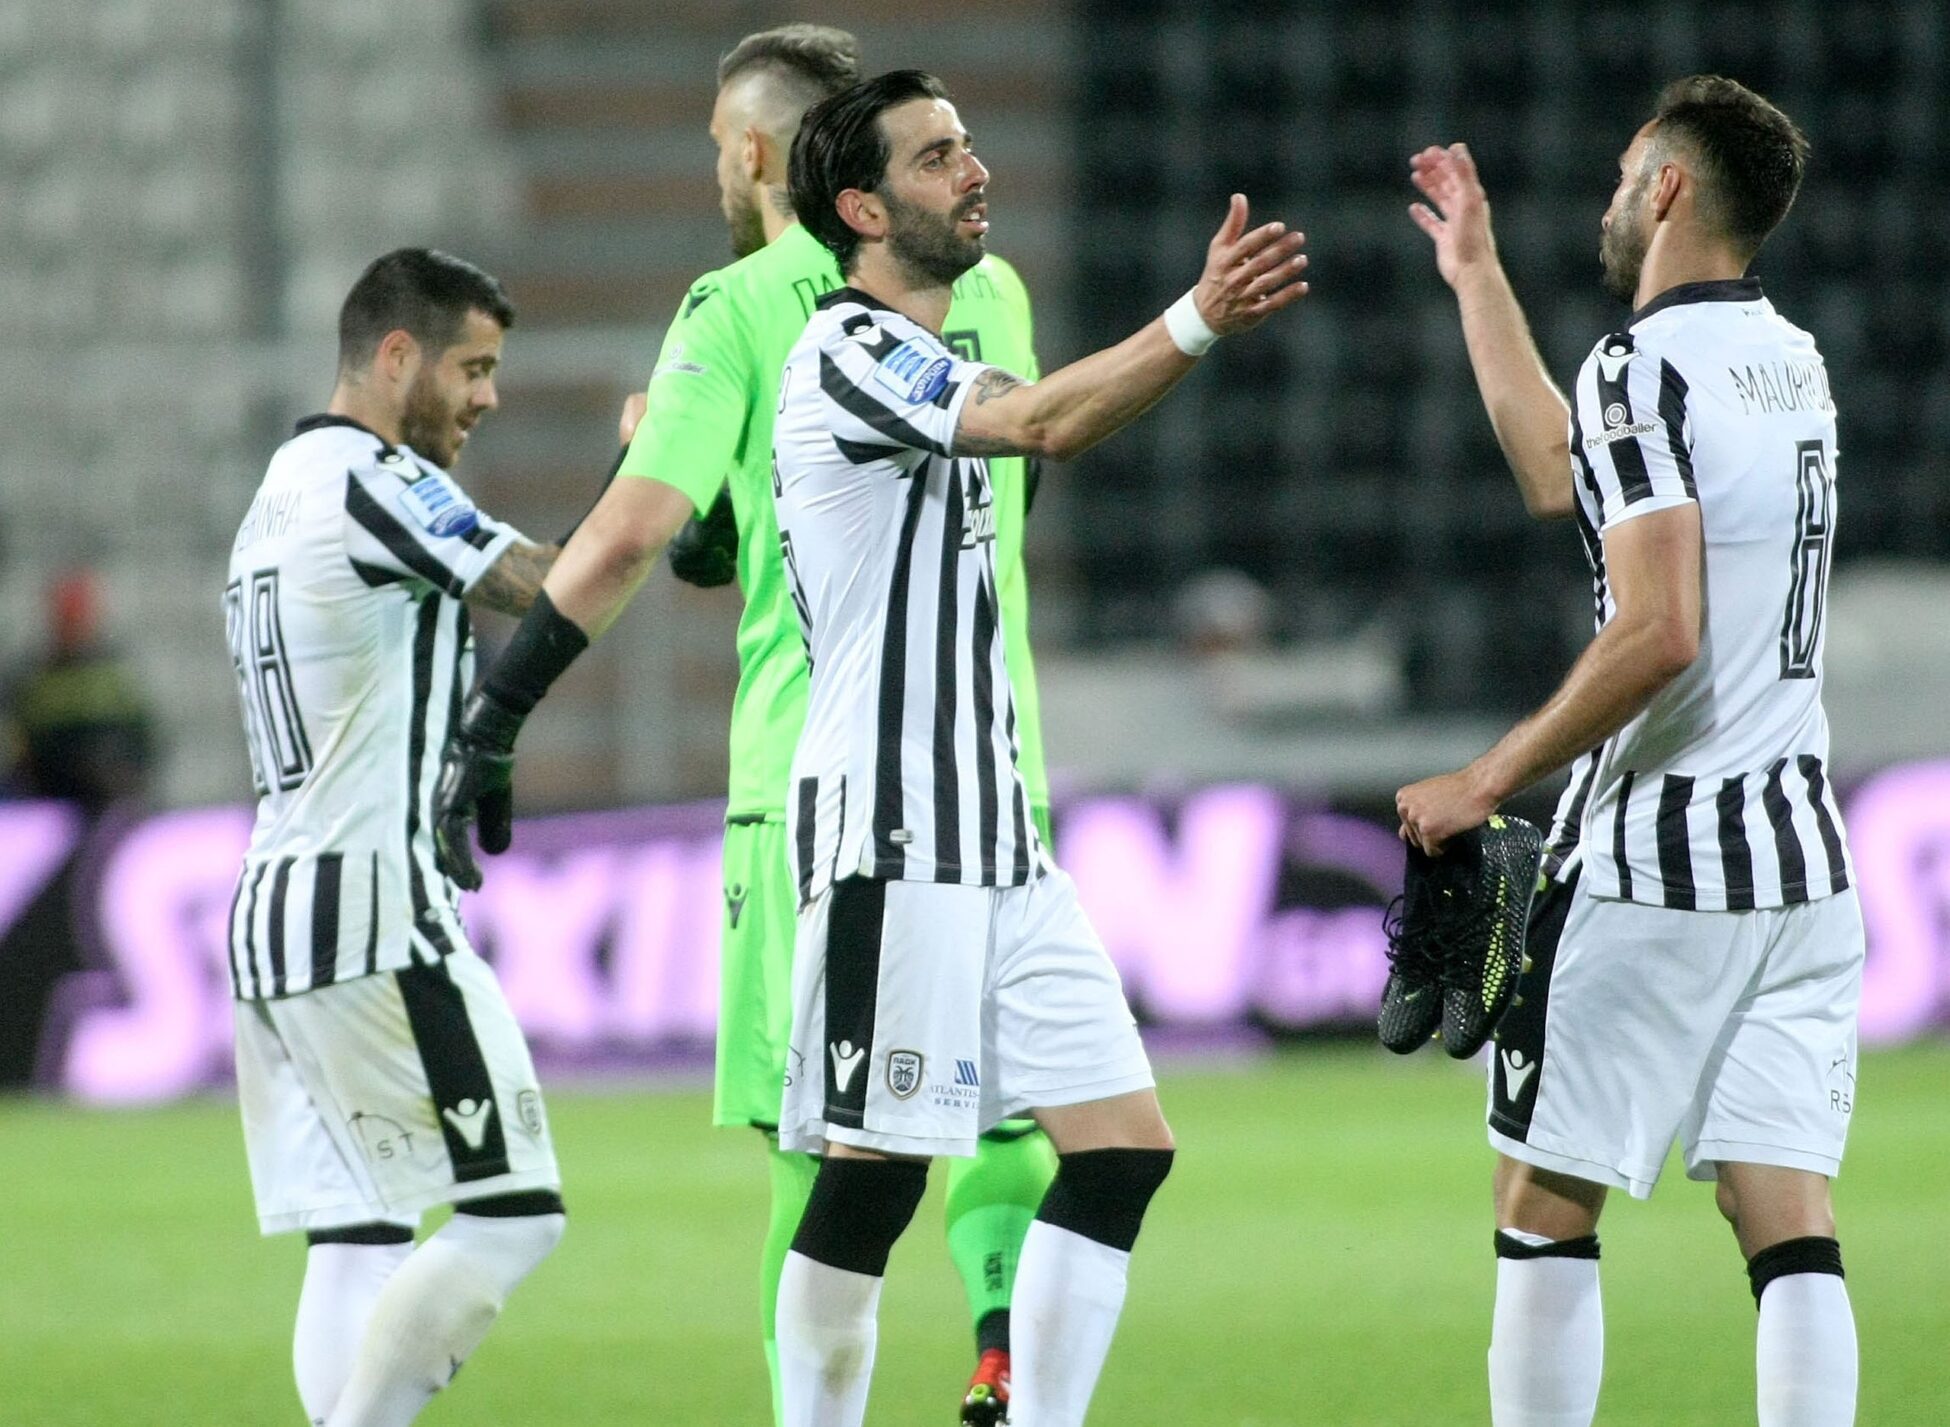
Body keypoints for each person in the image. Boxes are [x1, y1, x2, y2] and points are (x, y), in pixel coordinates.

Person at [757, 70, 1305, 1427]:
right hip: (894, 831)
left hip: (997, 836)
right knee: (875, 1175)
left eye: (970, 144)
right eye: (936, 155)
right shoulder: (844, 352)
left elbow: (1042, 407)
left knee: (1122, 1148)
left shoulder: (932, 361)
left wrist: (1170, 342)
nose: (975, 168)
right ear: (861, 209)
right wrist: (1194, 316)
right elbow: (1044, 420)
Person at [1397, 78, 1859, 1426]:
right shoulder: (1792, 359)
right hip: (1801, 860)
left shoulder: (1640, 364)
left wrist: (1485, 777)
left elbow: (1658, 628)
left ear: (1666, 188)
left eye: (1620, 177)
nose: (1608, 200)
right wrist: (1476, 274)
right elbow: (1565, 473)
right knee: (1783, 1208)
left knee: (1539, 1194)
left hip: (1661, 857)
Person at [223, 248, 576, 1427]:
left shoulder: (279, 490)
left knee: (360, 1230)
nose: (488, 396)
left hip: (274, 911)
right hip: (370, 909)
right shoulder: (373, 477)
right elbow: (543, 581)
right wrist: (654, 482)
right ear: (394, 356)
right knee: (516, 1210)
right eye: (471, 368)